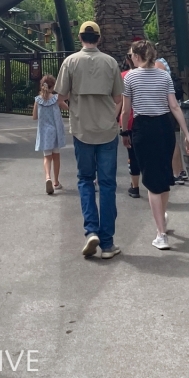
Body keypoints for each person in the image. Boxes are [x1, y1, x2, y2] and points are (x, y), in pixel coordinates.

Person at [55, 21, 123, 260]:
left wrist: (74, 111)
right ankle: (107, 243)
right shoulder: (111, 62)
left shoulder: (70, 62)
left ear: (80, 37)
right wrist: (112, 118)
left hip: (82, 129)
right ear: (99, 38)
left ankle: (90, 231)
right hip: (107, 130)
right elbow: (118, 98)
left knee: (85, 180)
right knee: (107, 184)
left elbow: (60, 98)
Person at [119, 39, 189, 250]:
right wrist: (186, 134)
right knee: (163, 176)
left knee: (151, 181)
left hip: (143, 127)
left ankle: (161, 233)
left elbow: (126, 110)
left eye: (131, 55)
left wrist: (124, 131)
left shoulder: (131, 77)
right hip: (165, 127)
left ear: (136, 56)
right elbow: (174, 106)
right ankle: (162, 219)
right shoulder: (164, 75)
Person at [155, 56, 188, 184]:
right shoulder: (161, 62)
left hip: (167, 107)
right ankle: (179, 170)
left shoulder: (158, 64)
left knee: (170, 141)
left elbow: (160, 85)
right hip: (169, 106)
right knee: (171, 141)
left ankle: (176, 172)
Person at [32, 74, 67, 194]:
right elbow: (67, 107)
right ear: (53, 86)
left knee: (47, 157)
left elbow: (34, 117)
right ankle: (56, 182)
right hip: (55, 132)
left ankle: (48, 177)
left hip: (44, 132)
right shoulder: (56, 99)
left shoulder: (38, 100)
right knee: (56, 156)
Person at [120, 53, 141, 198]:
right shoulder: (158, 74)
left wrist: (123, 129)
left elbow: (123, 107)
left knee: (132, 155)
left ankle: (135, 186)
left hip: (132, 120)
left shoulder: (124, 76)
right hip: (152, 120)